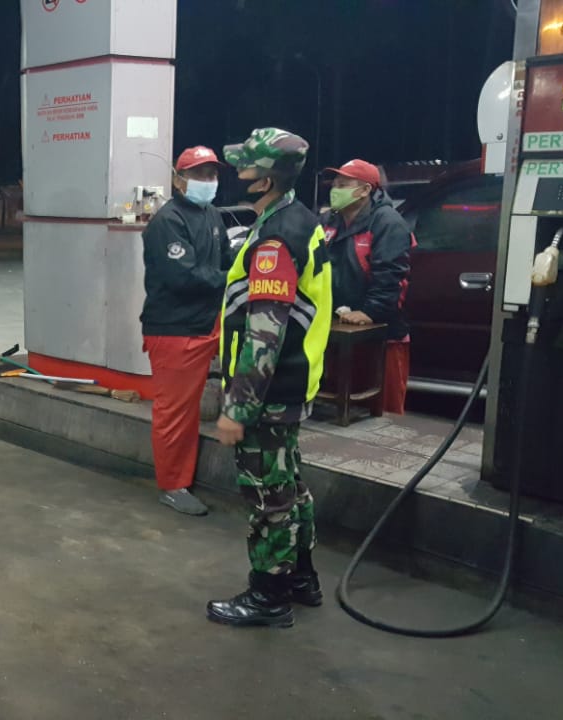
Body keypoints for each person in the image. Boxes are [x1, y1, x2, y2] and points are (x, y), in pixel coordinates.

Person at [207, 128, 332, 628]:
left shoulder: (274, 241)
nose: (237, 174)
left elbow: (265, 334)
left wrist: (237, 408)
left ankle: (268, 597)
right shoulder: (301, 220)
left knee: (268, 498)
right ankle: (302, 579)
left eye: (246, 167)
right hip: (292, 386)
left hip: (269, 393)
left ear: (265, 180)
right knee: (290, 488)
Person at [140, 145, 232, 516]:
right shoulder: (168, 221)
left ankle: (183, 475)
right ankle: (173, 485)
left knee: (189, 409)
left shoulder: (213, 214)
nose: (207, 181)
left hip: (205, 323)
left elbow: (226, 259)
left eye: (212, 174)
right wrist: (235, 277)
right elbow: (185, 277)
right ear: (179, 180)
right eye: (198, 174)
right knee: (175, 412)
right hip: (175, 329)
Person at [320, 159, 413, 414]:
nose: (335, 189)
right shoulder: (329, 220)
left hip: (381, 336)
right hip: (337, 330)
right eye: (334, 184)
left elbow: (391, 275)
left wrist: (370, 311)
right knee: (336, 405)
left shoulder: (387, 223)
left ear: (364, 190)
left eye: (343, 185)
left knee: (381, 411)